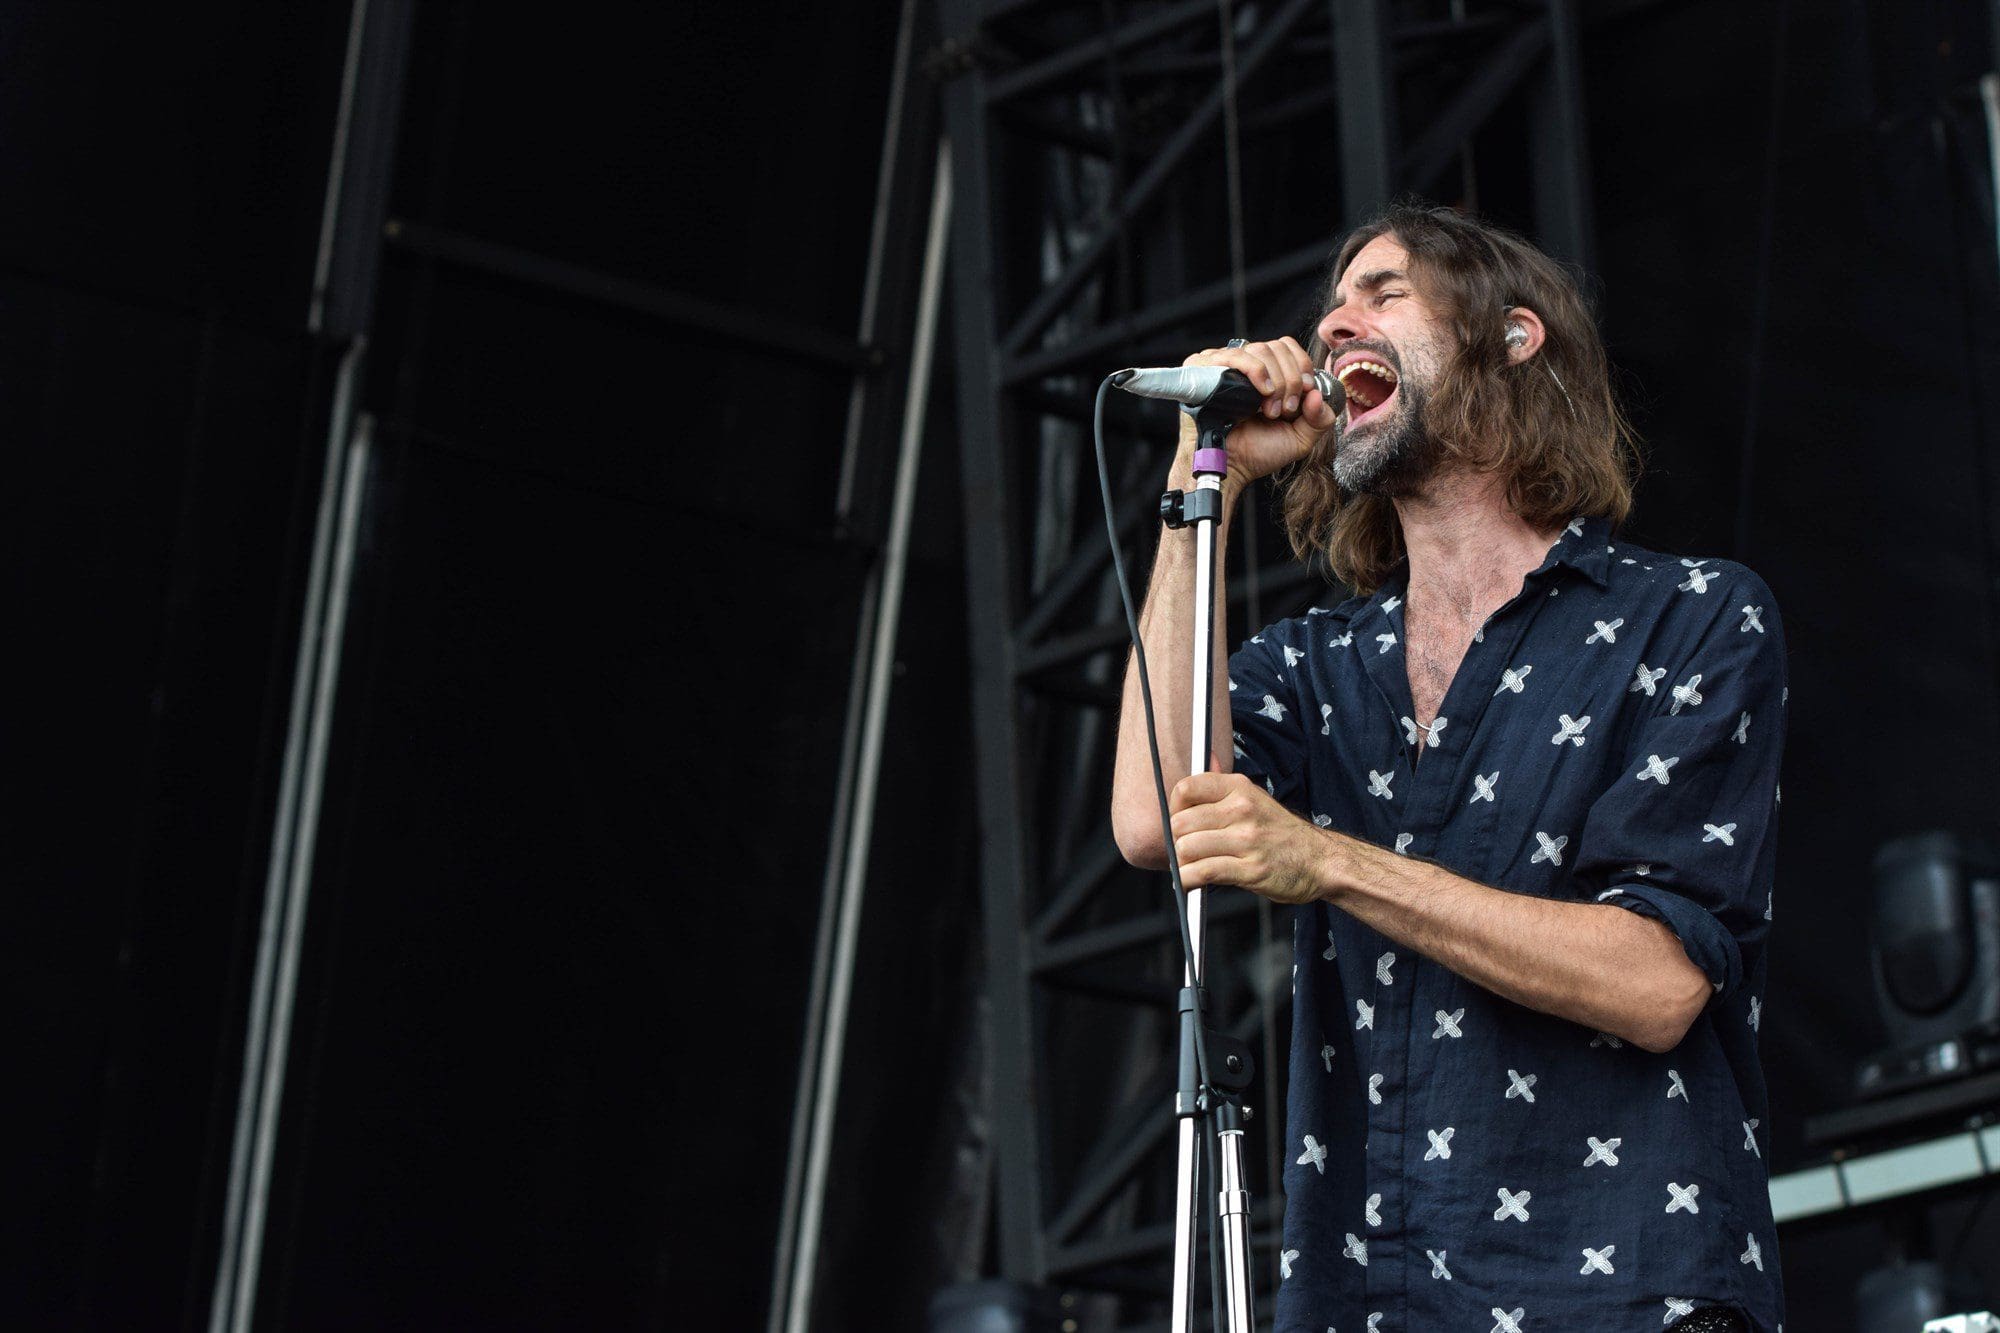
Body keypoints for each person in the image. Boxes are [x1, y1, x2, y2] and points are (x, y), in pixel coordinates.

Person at [1110, 203, 1785, 1333]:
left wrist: (1330, 862)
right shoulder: (1318, 664)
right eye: (1332, 306)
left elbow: (1658, 983)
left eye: (1382, 293)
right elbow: (1153, 819)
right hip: (1372, 1294)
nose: (1334, 325)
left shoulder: (1689, 618)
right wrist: (1201, 479)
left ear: (1511, 338)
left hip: (1621, 1291)